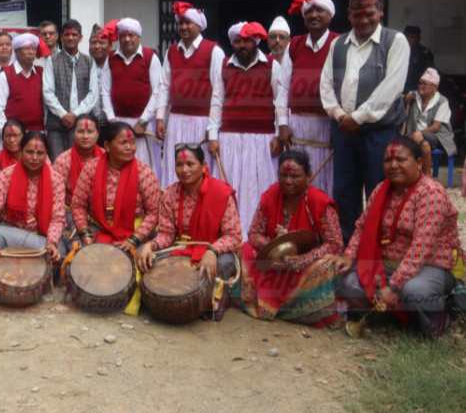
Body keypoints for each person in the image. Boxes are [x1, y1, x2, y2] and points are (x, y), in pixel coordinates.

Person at [335, 137, 459, 338]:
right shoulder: (381, 189)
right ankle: (392, 318)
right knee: (349, 283)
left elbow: (420, 248)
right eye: (387, 160)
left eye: (401, 159)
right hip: (388, 264)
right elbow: (362, 227)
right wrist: (349, 256)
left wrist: (393, 286)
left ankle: (440, 320)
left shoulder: (431, 193)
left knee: (413, 291)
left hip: (428, 266)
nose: (393, 165)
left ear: (419, 163)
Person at [320, 0, 410, 241]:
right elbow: (325, 85)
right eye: (357, 15)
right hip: (343, 131)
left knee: (379, 189)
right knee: (345, 192)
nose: (364, 19)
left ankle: (378, 248)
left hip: (379, 132)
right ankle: (349, 247)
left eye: (370, 13)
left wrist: (357, 117)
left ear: (380, 12)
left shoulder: (396, 41)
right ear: (349, 16)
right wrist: (339, 115)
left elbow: (391, 88)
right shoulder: (338, 44)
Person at [240, 150, 343, 327]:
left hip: (305, 266)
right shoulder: (270, 195)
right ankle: (271, 304)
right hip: (274, 264)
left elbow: (335, 244)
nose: (288, 181)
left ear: (308, 176)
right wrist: (273, 247)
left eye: (295, 176)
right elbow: (253, 233)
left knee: (326, 266)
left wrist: (302, 259)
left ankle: (300, 309)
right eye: (283, 175)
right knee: (243, 249)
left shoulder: (319, 202)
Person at [136, 144, 241, 315]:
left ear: (203, 165)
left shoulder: (221, 193)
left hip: (216, 251)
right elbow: (166, 235)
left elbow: (234, 236)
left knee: (219, 267)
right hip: (182, 249)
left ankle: (211, 304)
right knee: (146, 259)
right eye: (179, 165)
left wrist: (212, 251)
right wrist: (151, 245)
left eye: (190, 164)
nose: (184, 170)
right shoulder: (170, 194)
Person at [214, 21, 284, 236]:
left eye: (246, 41)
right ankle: (231, 233)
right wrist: (212, 135)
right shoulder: (224, 65)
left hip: (262, 139)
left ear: (255, 42)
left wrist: (279, 135)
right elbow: (216, 101)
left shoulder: (272, 65)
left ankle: (259, 234)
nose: (242, 45)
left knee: (260, 185)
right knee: (230, 185)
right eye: (237, 41)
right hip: (229, 137)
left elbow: (280, 102)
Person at [156, 3, 225, 186]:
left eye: (188, 23)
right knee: (175, 167)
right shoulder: (171, 51)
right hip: (177, 121)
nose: (184, 27)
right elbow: (164, 85)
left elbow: (218, 91)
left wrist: (212, 129)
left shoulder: (213, 51)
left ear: (199, 25)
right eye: (181, 23)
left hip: (202, 121)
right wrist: (160, 117)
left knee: (199, 169)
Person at [278, 0, 340, 195]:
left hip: (327, 123)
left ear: (330, 16)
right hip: (298, 125)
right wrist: (283, 124)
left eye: (319, 10)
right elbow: (283, 86)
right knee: (296, 177)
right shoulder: (294, 45)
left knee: (327, 178)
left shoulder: (339, 43)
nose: (314, 15)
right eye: (309, 11)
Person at [71, 122, 162, 254]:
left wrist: (134, 240)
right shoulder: (91, 168)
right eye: (124, 143)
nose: (130, 147)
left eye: (132, 143)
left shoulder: (144, 172)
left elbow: (153, 213)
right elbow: (78, 205)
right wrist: (86, 235)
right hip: (97, 228)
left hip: (133, 230)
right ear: (107, 146)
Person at [0, 132, 64, 263]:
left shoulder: (56, 180)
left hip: (40, 236)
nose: (34, 157)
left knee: (58, 253)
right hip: (10, 232)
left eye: (40, 153)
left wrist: (52, 242)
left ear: (47, 153)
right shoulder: (6, 176)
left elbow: (57, 219)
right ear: (20, 151)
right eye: (29, 152)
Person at [101, 17, 162, 175]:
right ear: (119, 38)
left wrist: (143, 121)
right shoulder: (111, 58)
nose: (127, 39)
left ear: (139, 37)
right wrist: (112, 120)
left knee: (144, 167)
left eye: (132, 35)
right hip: (118, 121)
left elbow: (158, 91)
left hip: (142, 124)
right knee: (118, 166)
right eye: (123, 35)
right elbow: (105, 91)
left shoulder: (150, 57)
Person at [43, 19, 99, 159]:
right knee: (58, 163)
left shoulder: (89, 61)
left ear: (81, 38)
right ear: (61, 37)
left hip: (82, 125)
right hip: (56, 124)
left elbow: (93, 94)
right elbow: (47, 92)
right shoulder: (52, 60)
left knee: (80, 163)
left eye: (74, 35)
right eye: (67, 34)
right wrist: (63, 114)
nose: (70, 38)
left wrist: (75, 114)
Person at [52, 114, 103, 235]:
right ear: (73, 133)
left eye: (90, 131)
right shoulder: (63, 160)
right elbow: (55, 197)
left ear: (98, 134)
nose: (85, 136)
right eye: (80, 131)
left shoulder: (107, 157)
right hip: (71, 213)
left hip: (103, 212)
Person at [403, 67, 456, 175]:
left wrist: (419, 133)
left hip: (436, 136)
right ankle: (425, 175)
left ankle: (423, 174)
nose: (420, 86)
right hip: (415, 135)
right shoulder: (414, 96)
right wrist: (407, 101)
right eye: (420, 83)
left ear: (434, 87)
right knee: (424, 145)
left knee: (421, 139)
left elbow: (436, 127)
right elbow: (404, 117)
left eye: (424, 84)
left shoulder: (442, 101)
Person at [0, 33, 46, 132]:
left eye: (33, 49)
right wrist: (6, 132)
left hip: (37, 133)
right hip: (13, 134)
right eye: (26, 49)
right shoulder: (5, 74)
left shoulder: (41, 73)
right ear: (16, 52)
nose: (31, 52)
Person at [87, 24, 112, 124]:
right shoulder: (83, 66)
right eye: (93, 43)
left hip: (113, 122)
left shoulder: (115, 66)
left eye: (102, 43)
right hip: (89, 124)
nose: (97, 46)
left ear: (110, 45)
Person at [403, 25, 435, 94]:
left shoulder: (424, 53)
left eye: (412, 37)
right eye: (407, 37)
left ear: (418, 38)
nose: (409, 40)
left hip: (417, 89)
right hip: (401, 88)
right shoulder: (399, 50)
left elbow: (429, 73)